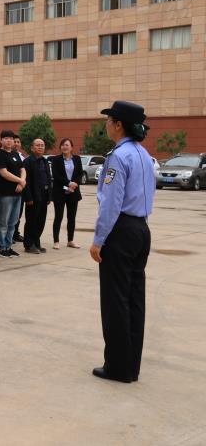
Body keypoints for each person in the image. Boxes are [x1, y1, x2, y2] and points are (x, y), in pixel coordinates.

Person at [90, 101, 155, 384]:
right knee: (134, 300)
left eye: (109, 120)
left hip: (121, 230)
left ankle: (117, 367)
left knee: (115, 300)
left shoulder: (118, 156)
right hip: (141, 228)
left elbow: (111, 203)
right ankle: (131, 366)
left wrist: (98, 240)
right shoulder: (144, 154)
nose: (106, 125)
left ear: (118, 125)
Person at [0, 130, 25, 258]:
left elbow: (23, 169)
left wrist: (22, 182)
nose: (9, 141)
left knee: (13, 222)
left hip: (17, 193)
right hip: (4, 193)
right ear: (1, 140)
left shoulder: (15, 154)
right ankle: (1, 248)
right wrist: (20, 181)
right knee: (3, 222)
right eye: (6, 138)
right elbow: (4, 173)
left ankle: (8, 246)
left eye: (11, 138)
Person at [50, 138, 83, 250]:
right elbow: (56, 176)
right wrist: (69, 183)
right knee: (58, 217)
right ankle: (56, 241)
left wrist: (74, 184)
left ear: (71, 147)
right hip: (60, 192)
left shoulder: (77, 159)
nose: (65, 147)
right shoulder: (56, 159)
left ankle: (70, 240)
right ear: (60, 147)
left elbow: (79, 174)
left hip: (73, 192)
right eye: (63, 145)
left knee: (71, 217)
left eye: (67, 145)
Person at [22, 139, 52, 254]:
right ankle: (29, 245)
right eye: (37, 145)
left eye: (42, 145)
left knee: (40, 221)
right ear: (32, 148)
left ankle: (36, 243)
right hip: (33, 196)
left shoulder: (45, 161)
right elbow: (26, 181)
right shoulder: (28, 161)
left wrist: (49, 196)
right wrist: (28, 197)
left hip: (44, 195)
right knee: (31, 221)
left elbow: (48, 179)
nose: (40, 147)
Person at [12, 134, 27, 243]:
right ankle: (9, 235)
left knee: (18, 213)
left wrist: (22, 183)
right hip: (11, 189)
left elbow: (24, 172)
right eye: (15, 141)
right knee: (9, 214)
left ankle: (15, 233)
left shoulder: (22, 157)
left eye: (18, 142)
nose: (16, 144)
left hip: (21, 188)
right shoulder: (6, 155)